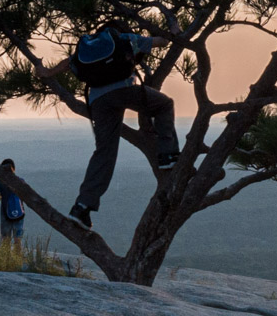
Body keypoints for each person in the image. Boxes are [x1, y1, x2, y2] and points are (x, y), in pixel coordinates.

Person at [39, 25, 180, 229]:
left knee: (104, 152)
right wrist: (173, 29)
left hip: (99, 101)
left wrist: (46, 72)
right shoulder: (124, 38)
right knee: (164, 104)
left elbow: (67, 63)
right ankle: (167, 156)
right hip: (125, 90)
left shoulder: (88, 49)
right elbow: (162, 42)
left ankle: (82, 207)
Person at [0, 158, 27, 239]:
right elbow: (25, 196)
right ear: (14, 168)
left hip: (5, 214)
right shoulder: (21, 180)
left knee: (6, 240)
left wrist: (3, 195)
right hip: (19, 213)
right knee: (18, 240)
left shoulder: (0, 182)